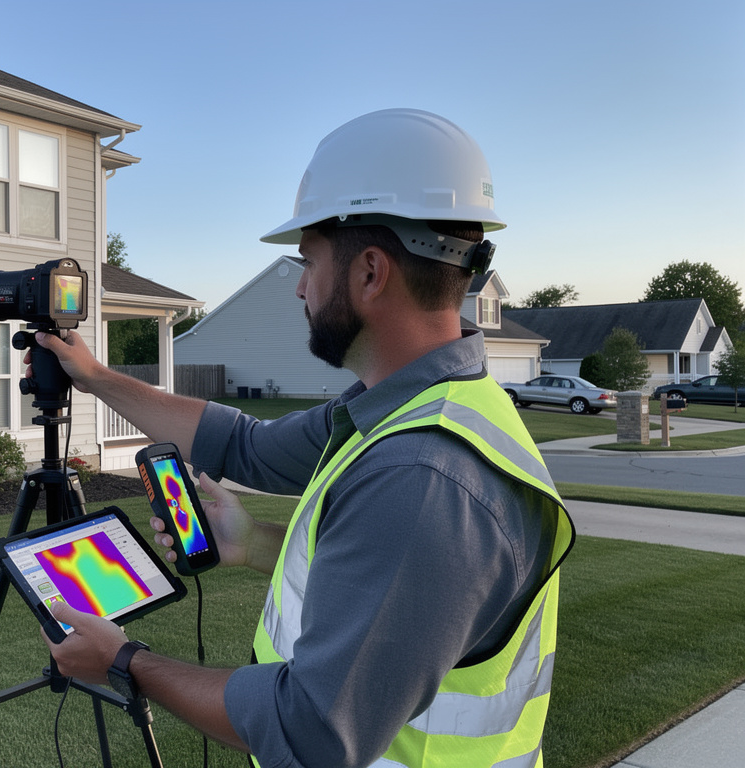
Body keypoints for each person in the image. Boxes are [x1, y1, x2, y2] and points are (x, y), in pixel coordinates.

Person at [29, 109, 574, 768]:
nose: (300, 289)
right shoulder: (410, 409)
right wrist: (95, 377)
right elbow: (246, 447)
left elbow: (308, 731)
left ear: (370, 273)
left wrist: (124, 661)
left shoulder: (422, 476)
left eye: (308, 263)